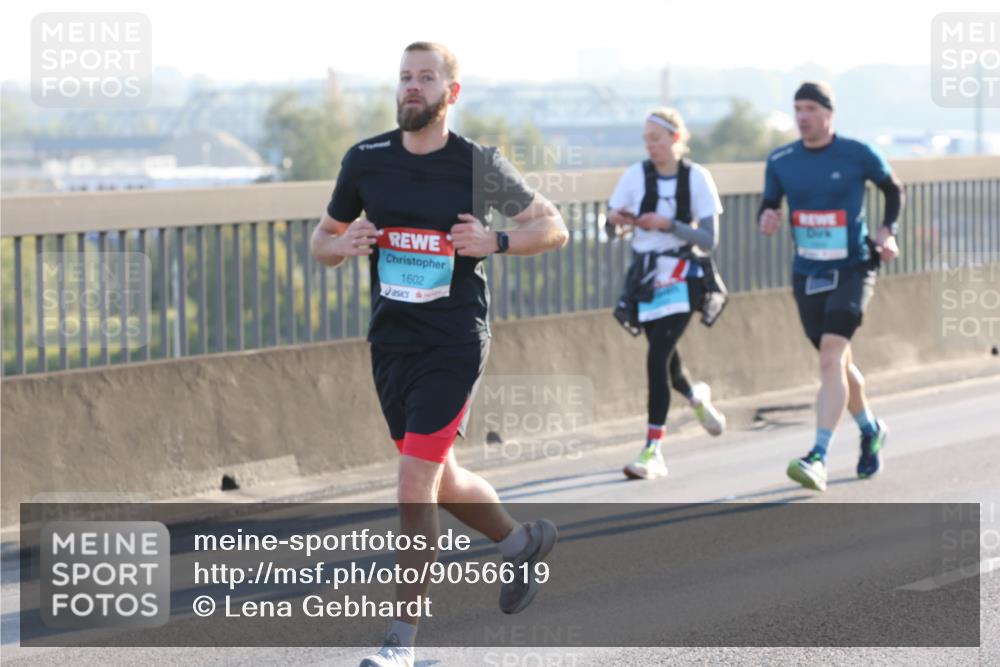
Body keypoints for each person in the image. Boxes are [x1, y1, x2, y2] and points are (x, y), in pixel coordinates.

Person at [310, 42, 568, 667]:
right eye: (405, 76)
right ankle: (518, 544)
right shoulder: (366, 159)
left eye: (426, 78)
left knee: (413, 484)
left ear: (451, 93)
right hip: (391, 341)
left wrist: (496, 239)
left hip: (454, 339)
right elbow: (321, 239)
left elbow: (552, 226)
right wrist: (343, 246)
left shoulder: (477, 164)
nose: (411, 87)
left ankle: (400, 641)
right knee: (440, 476)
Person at [758, 81, 903, 492]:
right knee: (836, 364)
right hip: (808, 272)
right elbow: (769, 203)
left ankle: (818, 456)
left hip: (853, 267)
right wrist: (767, 217)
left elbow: (893, 189)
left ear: (828, 114)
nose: (802, 117)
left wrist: (887, 231)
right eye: (797, 109)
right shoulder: (781, 160)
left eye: (810, 109)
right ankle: (871, 430)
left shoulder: (857, 153)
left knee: (829, 357)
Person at [606, 107, 728, 481]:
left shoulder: (697, 177)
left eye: (656, 138)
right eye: (646, 139)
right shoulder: (634, 175)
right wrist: (616, 220)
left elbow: (709, 239)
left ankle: (652, 450)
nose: (650, 145)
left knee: (657, 355)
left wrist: (668, 224)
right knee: (666, 357)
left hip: (682, 274)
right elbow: (610, 227)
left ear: (675, 138)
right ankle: (696, 397)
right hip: (645, 277)